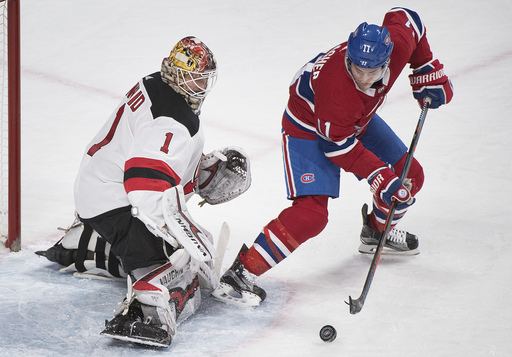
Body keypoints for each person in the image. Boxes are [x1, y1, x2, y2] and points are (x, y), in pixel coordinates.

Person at [211, 7, 453, 307]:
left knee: (410, 175)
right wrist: (380, 177)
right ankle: (242, 272)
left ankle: (376, 233)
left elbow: (407, 17)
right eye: (357, 69)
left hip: (356, 120)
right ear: (349, 60)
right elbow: (337, 146)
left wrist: (425, 66)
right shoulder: (336, 89)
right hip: (309, 127)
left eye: (372, 72)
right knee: (312, 214)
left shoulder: (397, 45)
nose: (364, 78)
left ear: (387, 61)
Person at [37, 36, 252, 347]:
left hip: (99, 186)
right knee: (177, 262)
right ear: (178, 76)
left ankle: (89, 239)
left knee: (162, 241)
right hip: (114, 202)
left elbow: (152, 159)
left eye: (204, 78)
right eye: (195, 77)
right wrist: (183, 235)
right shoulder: (172, 121)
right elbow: (144, 187)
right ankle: (144, 310)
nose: (201, 84)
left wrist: (196, 173)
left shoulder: (157, 84)